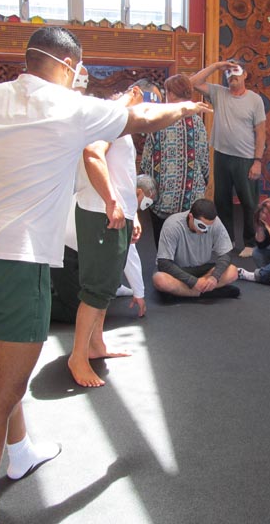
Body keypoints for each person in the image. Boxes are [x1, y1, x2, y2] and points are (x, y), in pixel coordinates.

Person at [0, 26, 212, 524]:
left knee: (0, 373)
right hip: (12, 266)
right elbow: (147, 116)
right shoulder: (73, 108)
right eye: (79, 70)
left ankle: (20, 452)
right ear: (68, 66)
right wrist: (188, 109)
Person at [69, 82, 161, 388]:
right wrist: (112, 203)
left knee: (106, 286)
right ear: (134, 93)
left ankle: (96, 345)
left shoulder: (119, 122)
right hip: (100, 213)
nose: (152, 114)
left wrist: (131, 212)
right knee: (96, 289)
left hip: (115, 213)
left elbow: (121, 172)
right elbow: (92, 154)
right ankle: (78, 357)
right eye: (151, 104)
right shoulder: (110, 119)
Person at [50, 174, 157, 324]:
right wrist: (139, 294)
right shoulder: (118, 206)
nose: (142, 209)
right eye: (145, 203)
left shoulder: (110, 194)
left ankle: (114, 286)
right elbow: (128, 252)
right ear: (138, 192)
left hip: (74, 249)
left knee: (109, 250)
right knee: (75, 309)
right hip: (64, 252)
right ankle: (33, 308)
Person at [190, 60, 266, 258]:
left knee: (249, 203)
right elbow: (194, 82)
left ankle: (250, 242)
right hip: (222, 156)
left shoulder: (255, 100)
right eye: (229, 72)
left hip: (246, 159)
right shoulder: (218, 93)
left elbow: (261, 133)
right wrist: (216, 66)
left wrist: (258, 161)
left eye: (236, 72)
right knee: (222, 201)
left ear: (245, 75)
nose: (232, 76)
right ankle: (227, 240)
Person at [141, 73, 210, 246]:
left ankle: (165, 269)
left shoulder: (159, 120)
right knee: (188, 245)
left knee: (164, 246)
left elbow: (147, 162)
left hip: (163, 200)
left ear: (171, 94)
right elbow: (203, 161)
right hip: (191, 199)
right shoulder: (197, 122)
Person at [152, 198, 240, 299]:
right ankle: (207, 293)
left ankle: (185, 292)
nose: (205, 231)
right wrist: (193, 281)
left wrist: (214, 277)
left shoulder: (215, 223)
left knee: (233, 271)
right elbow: (164, 263)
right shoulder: (172, 225)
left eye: (209, 227)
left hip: (201, 269)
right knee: (160, 280)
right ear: (191, 217)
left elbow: (226, 254)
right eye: (202, 226)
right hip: (178, 269)